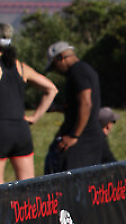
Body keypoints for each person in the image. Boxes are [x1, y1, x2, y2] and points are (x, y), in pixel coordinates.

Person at [0, 23, 58, 184]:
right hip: (21, 130)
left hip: (1, 131)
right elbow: (51, 89)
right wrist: (35, 117)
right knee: (27, 187)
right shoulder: (21, 67)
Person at [44, 41, 104, 173]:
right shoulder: (83, 70)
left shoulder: (78, 71)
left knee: (74, 179)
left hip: (83, 139)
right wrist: (58, 108)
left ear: (61, 57)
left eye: (54, 66)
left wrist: (74, 136)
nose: (56, 71)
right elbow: (77, 107)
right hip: (88, 136)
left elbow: (86, 103)